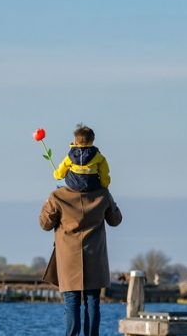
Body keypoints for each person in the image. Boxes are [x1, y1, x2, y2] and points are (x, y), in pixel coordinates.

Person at [39, 186, 122, 336]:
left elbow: (45, 224)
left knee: (72, 302)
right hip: (95, 256)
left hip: (68, 257)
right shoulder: (103, 193)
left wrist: (48, 202)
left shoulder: (58, 195)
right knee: (92, 301)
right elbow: (115, 220)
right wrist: (111, 202)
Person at [53, 124, 110, 192]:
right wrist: (105, 184)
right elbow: (104, 173)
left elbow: (61, 171)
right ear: (93, 140)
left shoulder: (70, 156)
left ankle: (58, 200)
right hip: (92, 185)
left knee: (58, 183)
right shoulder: (99, 157)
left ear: (76, 141)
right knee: (106, 193)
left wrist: (57, 175)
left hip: (73, 185)